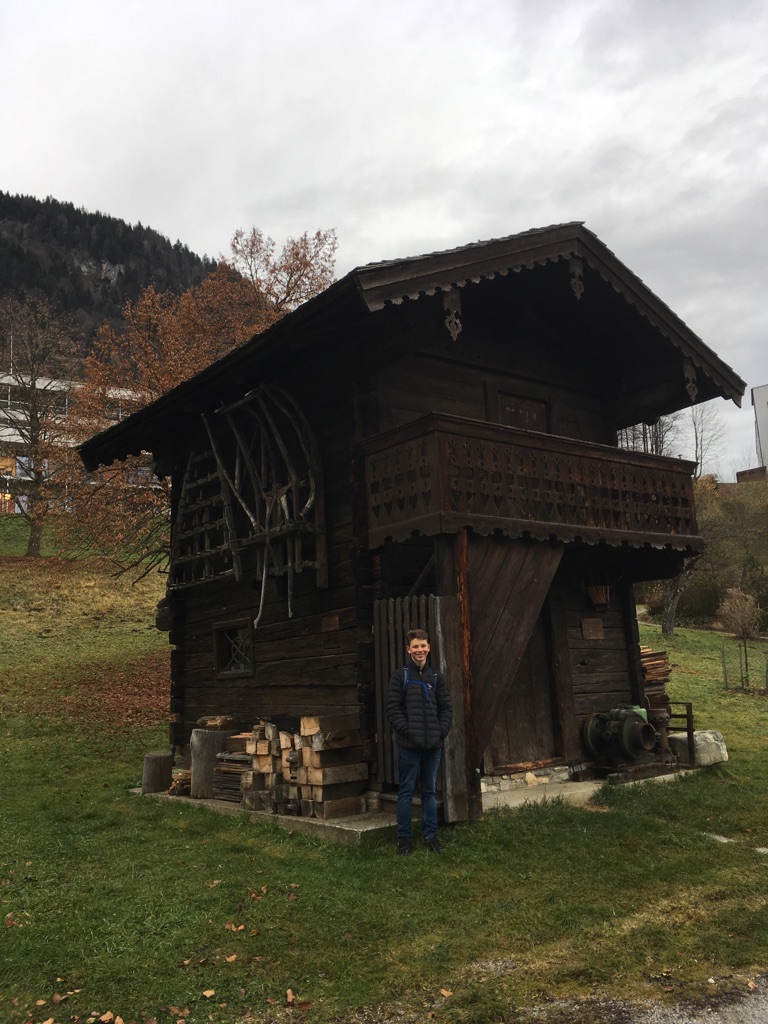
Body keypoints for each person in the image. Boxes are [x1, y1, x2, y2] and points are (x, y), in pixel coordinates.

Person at [386, 628, 452, 855]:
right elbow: (392, 709)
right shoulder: (400, 676)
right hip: (408, 746)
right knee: (406, 791)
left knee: (429, 791)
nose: (420, 650)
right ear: (409, 649)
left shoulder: (436, 677)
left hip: (433, 746)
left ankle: (431, 836)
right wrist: (408, 732)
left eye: (423, 646)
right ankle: (404, 839)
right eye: (415, 646)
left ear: (429, 648)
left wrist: (440, 732)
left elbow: (446, 708)